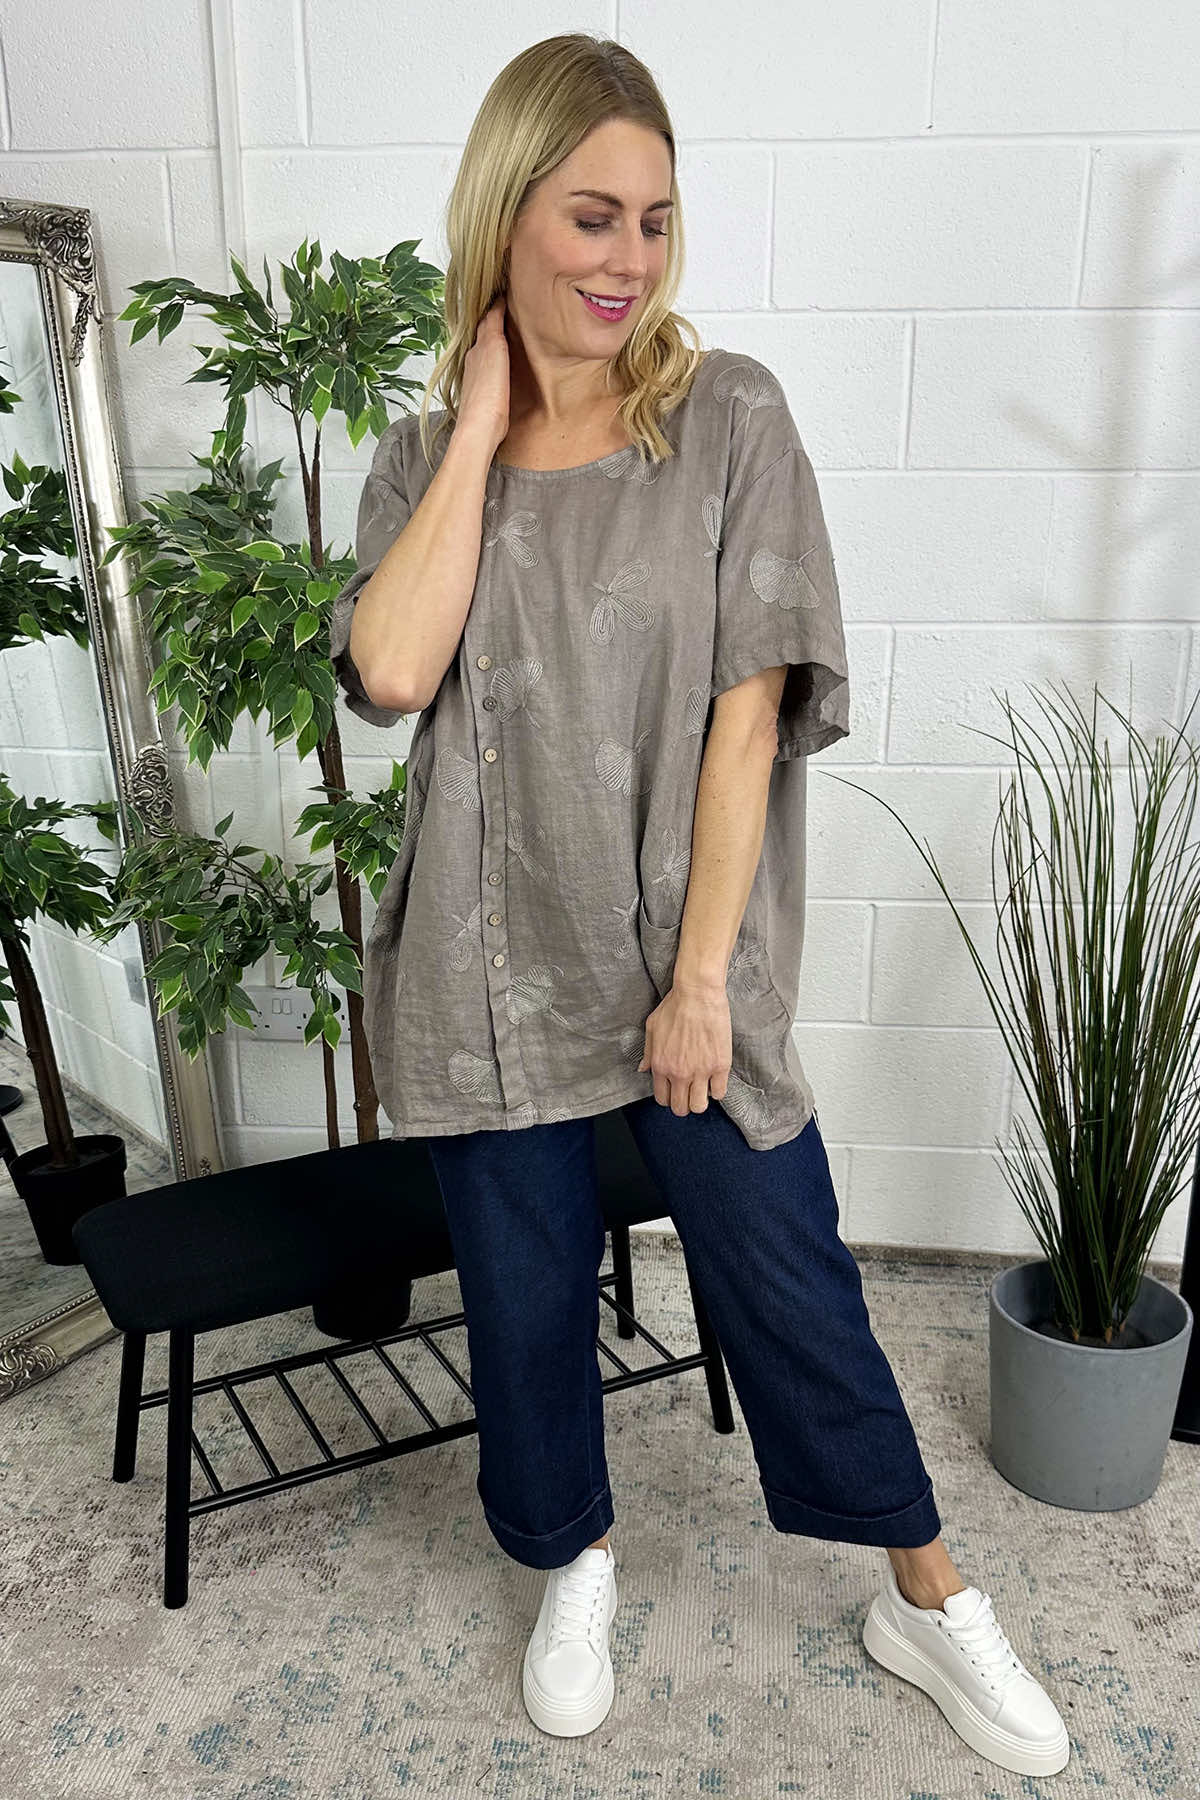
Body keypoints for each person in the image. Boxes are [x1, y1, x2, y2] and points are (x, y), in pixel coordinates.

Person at [327, 31, 1070, 1781]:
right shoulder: (423, 455)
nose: (628, 260)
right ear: (507, 212)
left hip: (681, 965)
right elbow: (392, 670)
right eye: (592, 216)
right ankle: (572, 1560)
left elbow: (750, 714)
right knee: (523, 1296)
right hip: (486, 968)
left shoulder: (725, 415)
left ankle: (927, 1592)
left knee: (787, 1269)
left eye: (655, 221)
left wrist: (704, 980)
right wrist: (483, 423)